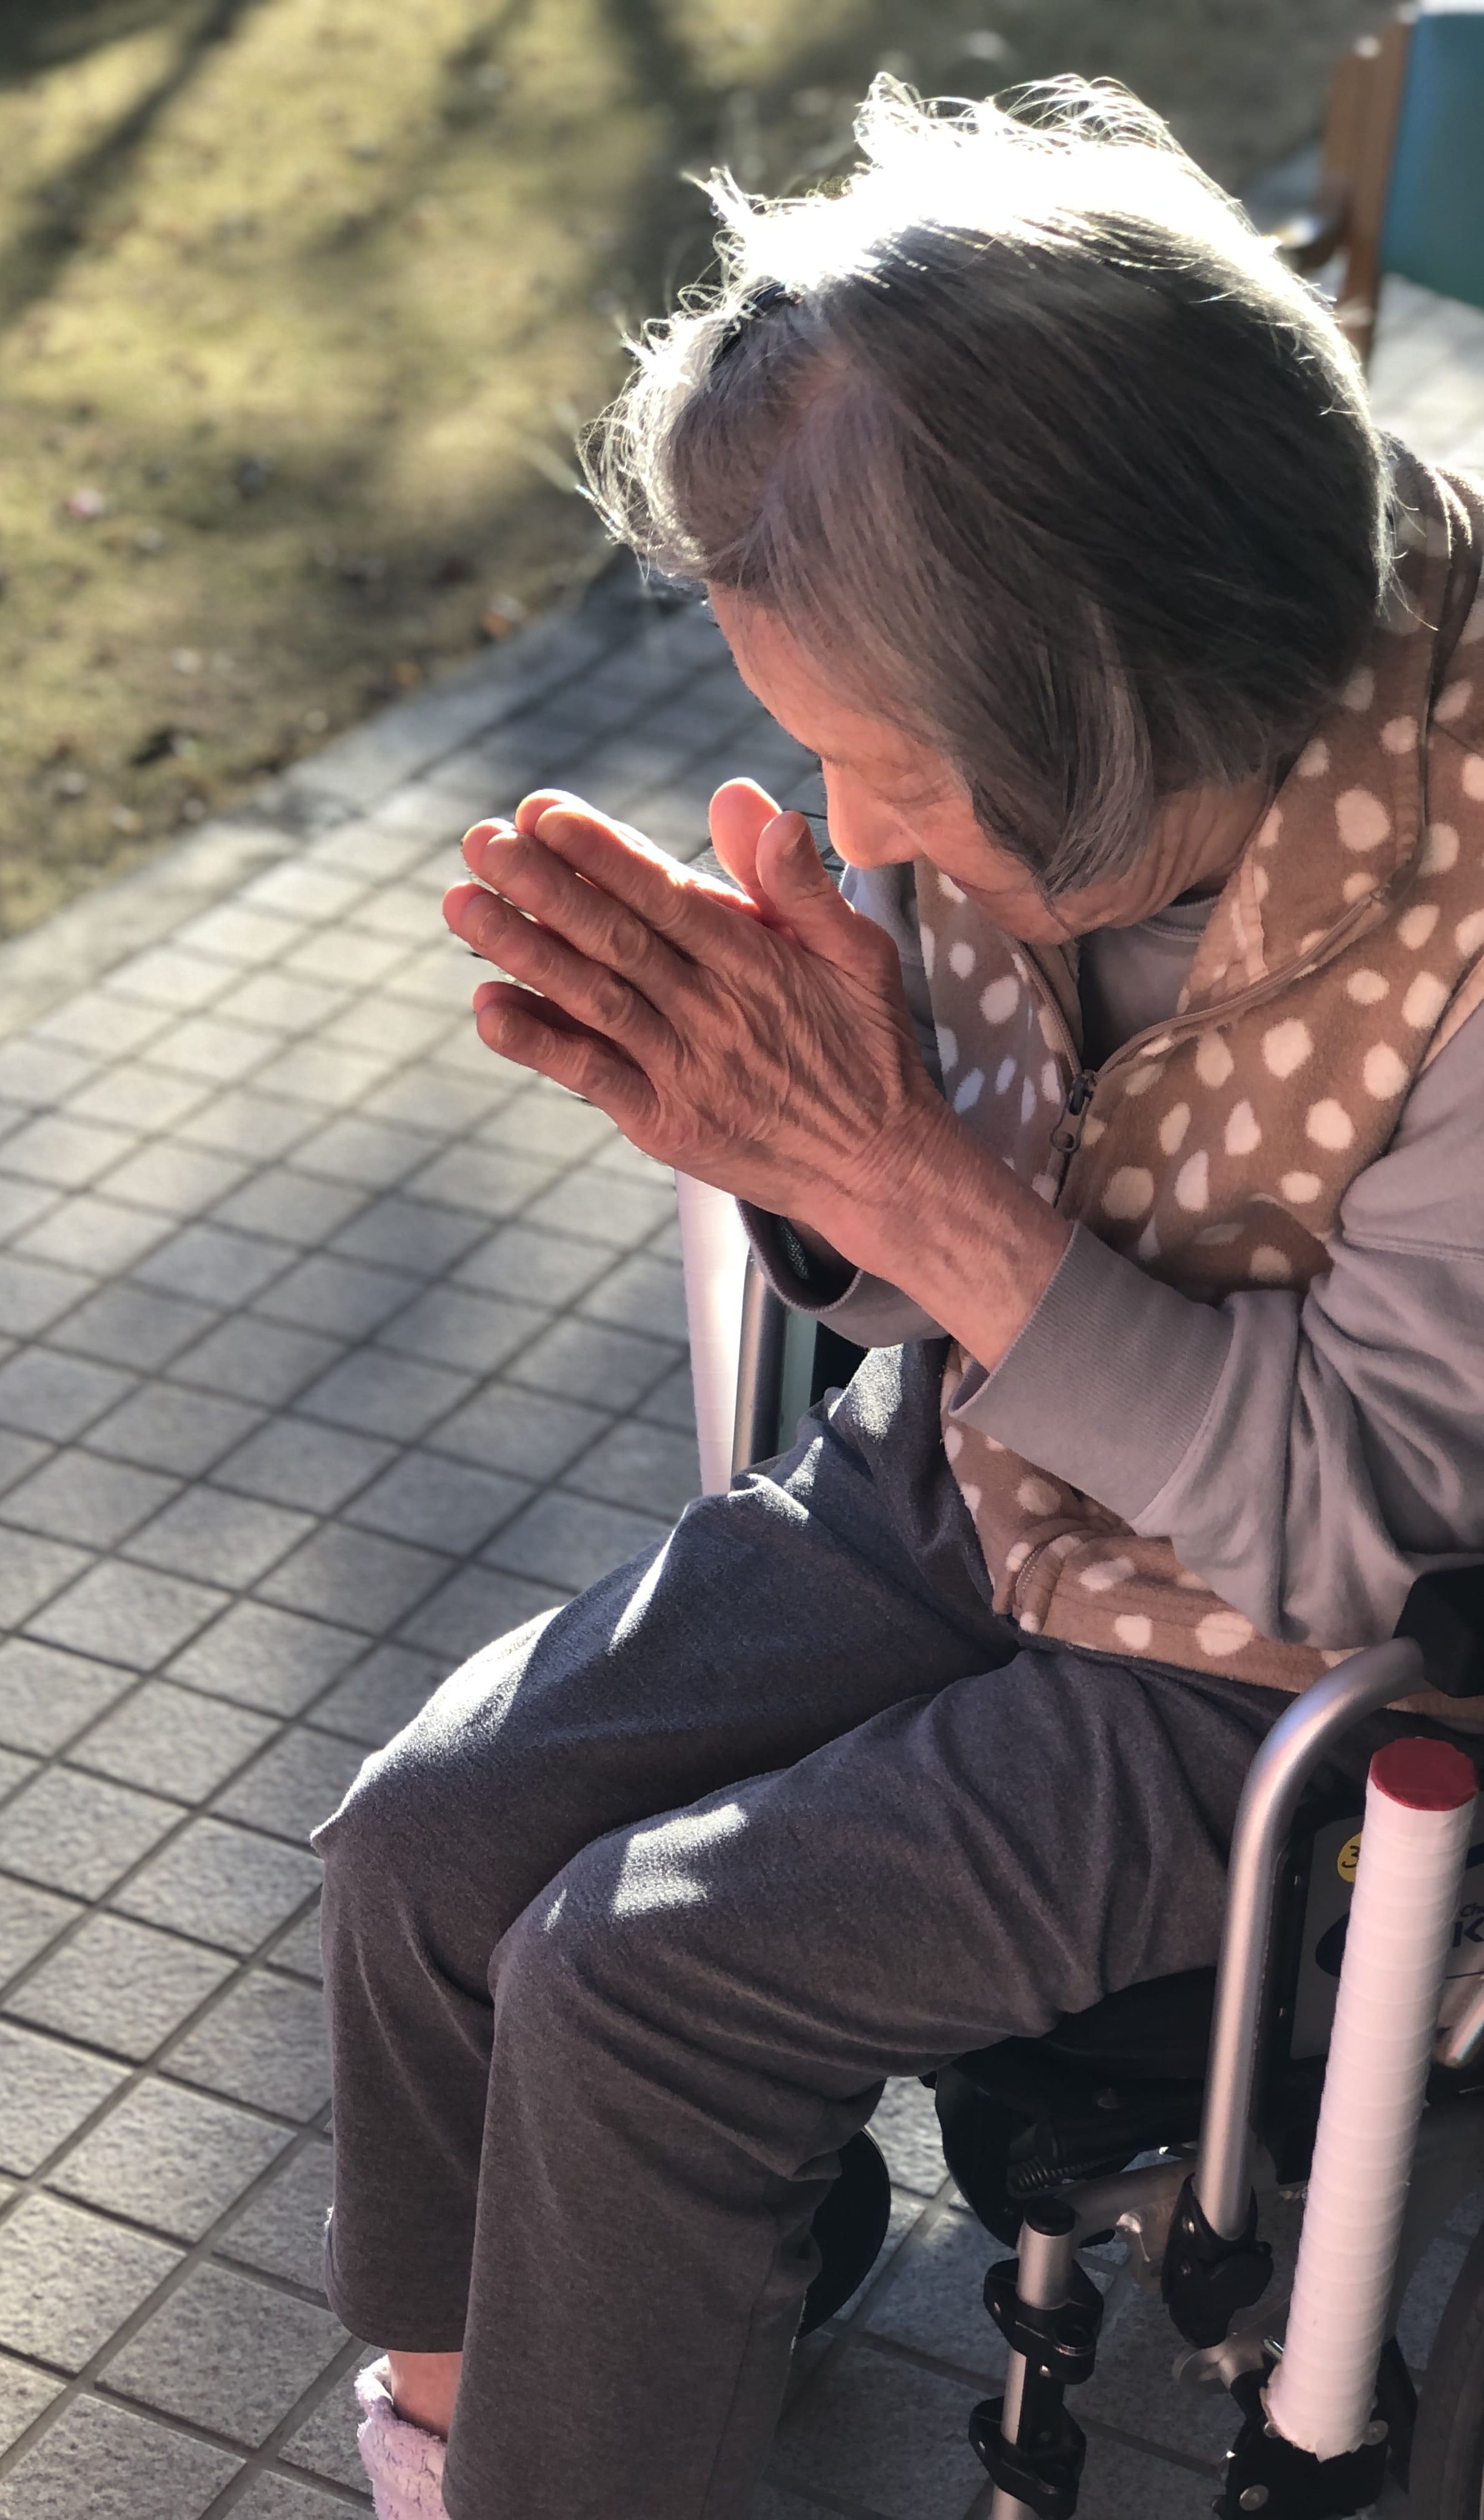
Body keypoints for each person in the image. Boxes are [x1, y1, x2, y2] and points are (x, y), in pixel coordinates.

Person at [313, 77, 1484, 2520]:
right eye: (818, 756)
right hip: (970, 1477)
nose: (858, 830)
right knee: (425, 1840)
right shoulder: (1044, 731)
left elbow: (1370, 1534)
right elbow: (915, 1284)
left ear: (1137, 698)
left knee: (634, 1978)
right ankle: (463, 2424)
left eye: (905, 774)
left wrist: (905, 1183)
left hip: (1275, 1672)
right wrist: (799, 1165)